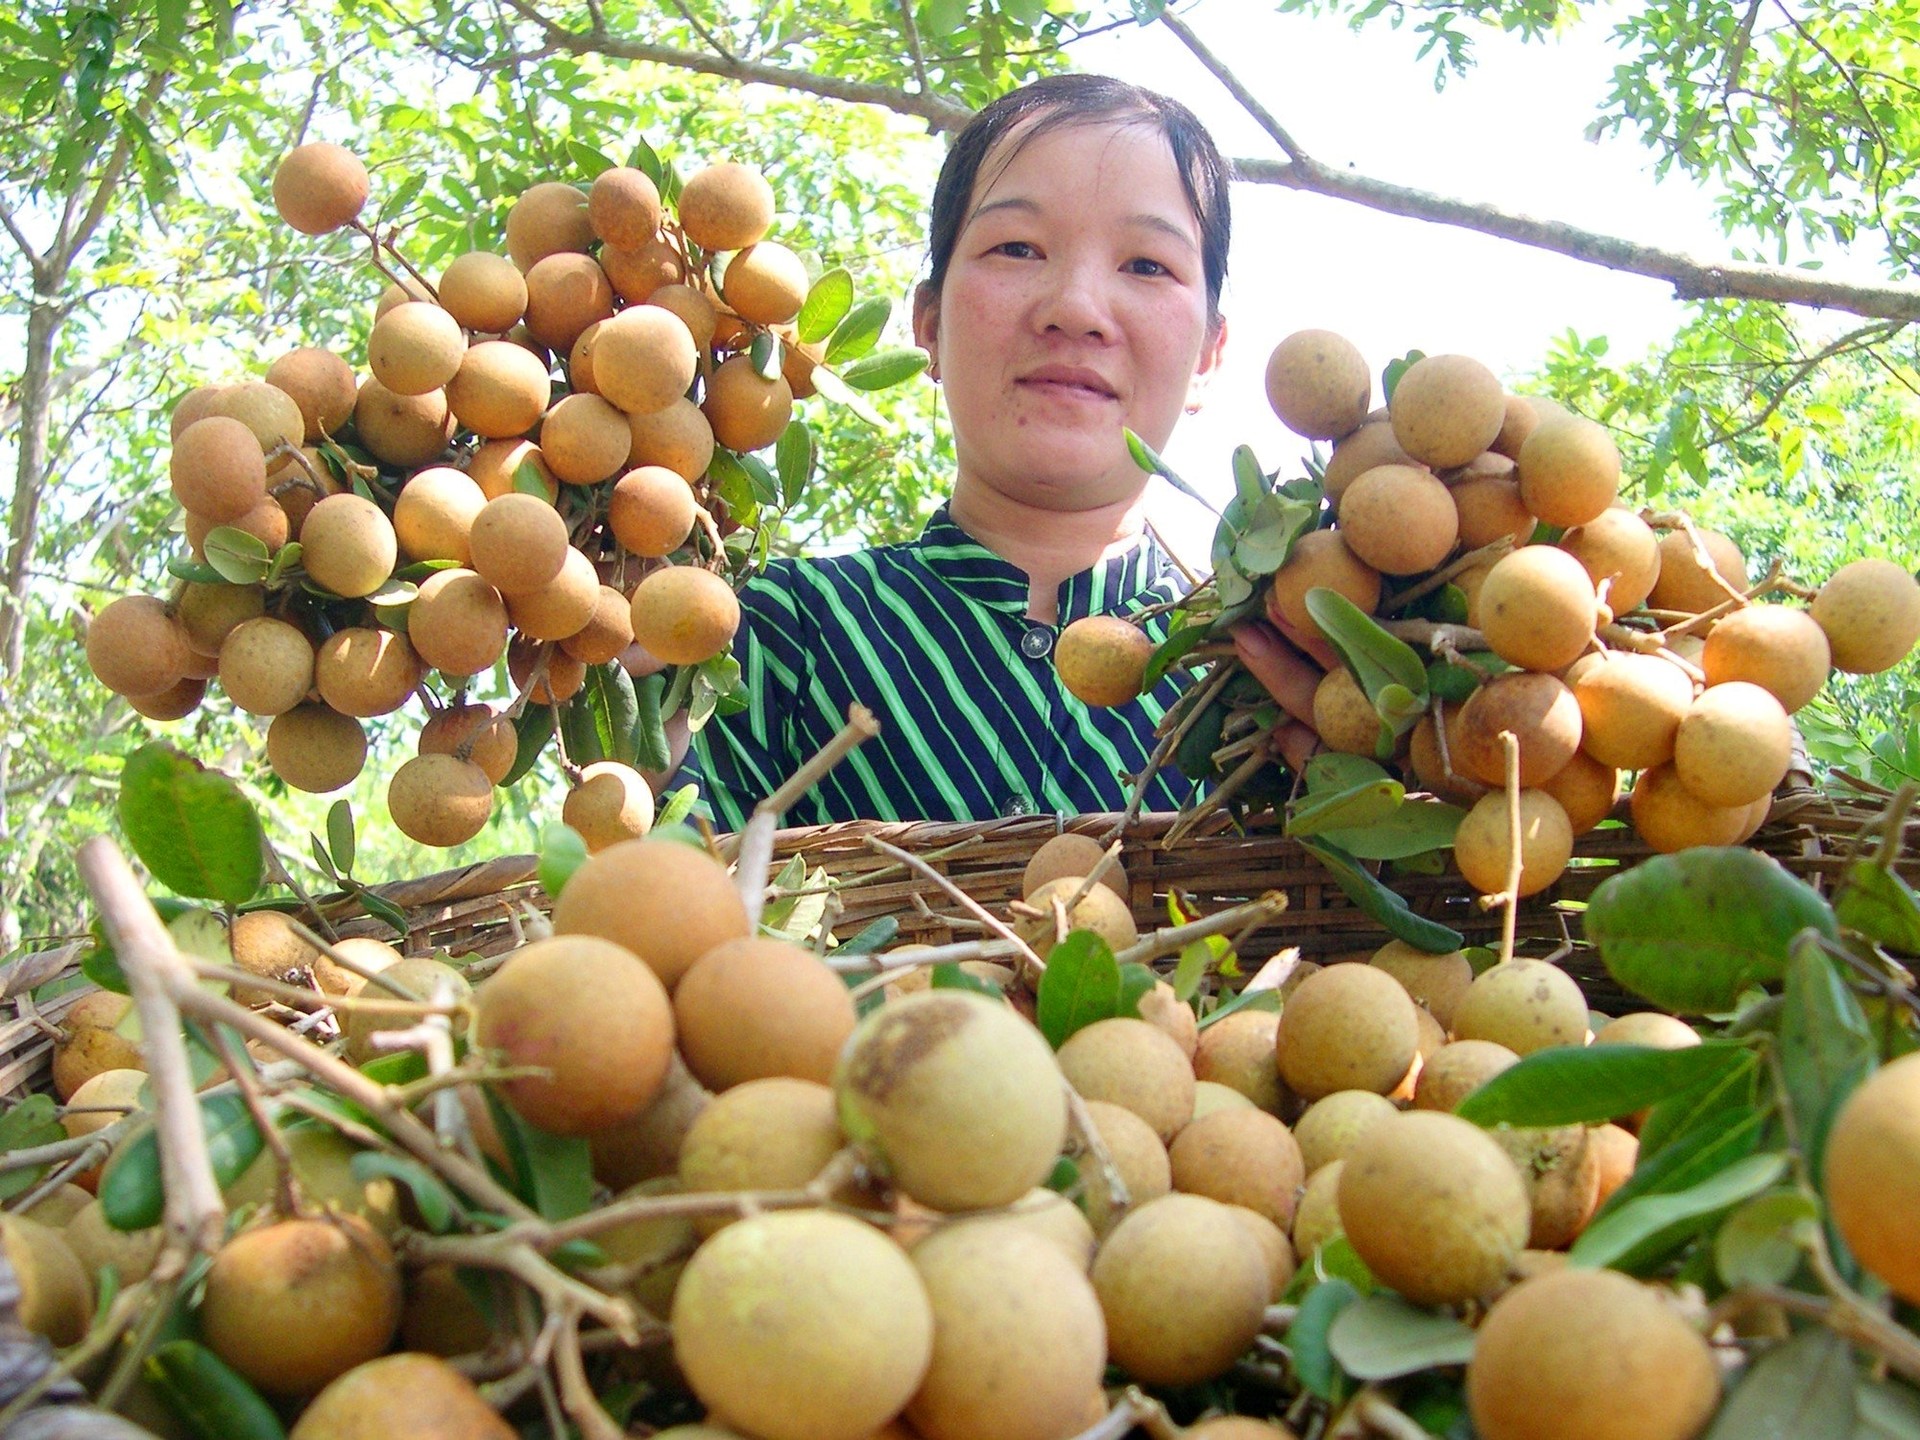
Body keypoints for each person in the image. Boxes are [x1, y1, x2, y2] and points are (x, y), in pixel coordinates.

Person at [670, 73, 1324, 830]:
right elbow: (672, 912)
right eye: (1017, 248)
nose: (1077, 309)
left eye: (1147, 264)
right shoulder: (778, 629)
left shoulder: (1272, 660)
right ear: (930, 323)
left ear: (1210, 352)